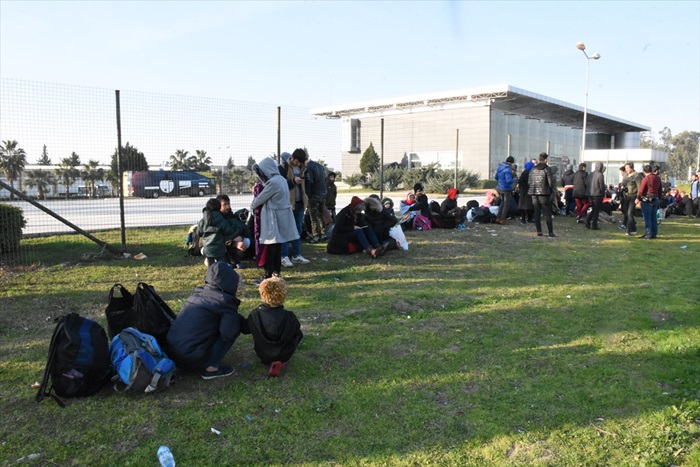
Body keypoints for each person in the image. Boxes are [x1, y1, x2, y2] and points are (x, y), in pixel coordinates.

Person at [167, 262, 243, 379]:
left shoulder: (197, 295)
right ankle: (211, 368)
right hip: (191, 359)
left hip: (171, 353)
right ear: (230, 282)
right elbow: (229, 333)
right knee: (232, 326)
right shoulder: (224, 302)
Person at [241, 276, 303, 377]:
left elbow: (246, 329)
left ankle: (270, 360)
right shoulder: (289, 316)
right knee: (298, 333)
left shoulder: (255, 315)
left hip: (263, 354)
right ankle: (281, 361)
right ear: (283, 295)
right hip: (285, 353)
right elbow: (297, 334)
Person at [250, 157, 300, 283]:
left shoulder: (273, 183)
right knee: (277, 247)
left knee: (271, 248)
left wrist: (252, 206)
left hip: (273, 219)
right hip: (282, 216)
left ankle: (267, 275)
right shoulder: (282, 180)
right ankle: (276, 273)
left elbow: (259, 199)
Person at [278, 152, 311, 268]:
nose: (298, 164)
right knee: (285, 229)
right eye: (297, 162)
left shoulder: (303, 168)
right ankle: (284, 256)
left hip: (300, 203)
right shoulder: (283, 168)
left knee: (298, 228)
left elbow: (307, 184)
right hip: (287, 204)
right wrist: (292, 181)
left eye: (300, 163)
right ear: (292, 158)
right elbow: (279, 185)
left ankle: (296, 255)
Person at [290, 148, 327, 243]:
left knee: (313, 217)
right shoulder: (319, 166)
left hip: (314, 195)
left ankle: (315, 236)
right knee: (321, 215)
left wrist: (307, 194)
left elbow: (310, 181)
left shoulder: (309, 167)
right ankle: (323, 234)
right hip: (323, 193)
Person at [198, 198, 239, 267]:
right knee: (221, 266)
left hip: (207, 248)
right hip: (219, 248)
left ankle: (211, 276)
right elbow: (228, 231)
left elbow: (199, 232)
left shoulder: (203, 220)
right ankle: (221, 275)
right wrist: (236, 229)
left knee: (211, 266)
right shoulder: (221, 219)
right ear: (219, 207)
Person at [216, 194, 251, 268]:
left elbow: (241, 228)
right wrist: (234, 243)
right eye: (224, 204)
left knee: (246, 242)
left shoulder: (231, 215)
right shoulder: (215, 219)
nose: (228, 206)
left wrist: (240, 237)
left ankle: (233, 259)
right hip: (216, 244)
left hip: (230, 243)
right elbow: (217, 238)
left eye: (228, 203)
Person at [528, 152, 555, 237]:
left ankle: (539, 231)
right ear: (546, 160)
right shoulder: (547, 169)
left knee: (537, 213)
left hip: (534, 193)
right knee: (547, 213)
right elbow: (550, 183)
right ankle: (550, 232)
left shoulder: (533, 169)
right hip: (544, 193)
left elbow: (529, 182)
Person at [638, 164, 661, 239]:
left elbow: (641, 190)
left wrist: (638, 198)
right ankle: (654, 234)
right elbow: (660, 189)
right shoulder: (657, 178)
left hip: (647, 199)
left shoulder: (646, 179)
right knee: (653, 217)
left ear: (644, 171)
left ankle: (648, 234)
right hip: (656, 198)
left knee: (647, 218)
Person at [622, 162, 643, 236]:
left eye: (628, 168)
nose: (626, 170)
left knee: (630, 213)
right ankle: (632, 227)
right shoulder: (625, 175)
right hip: (626, 196)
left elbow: (639, 188)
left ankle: (630, 230)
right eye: (626, 168)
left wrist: (638, 198)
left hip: (633, 196)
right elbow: (623, 183)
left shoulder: (637, 176)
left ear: (632, 168)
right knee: (626, 213)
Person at [494, 156, 515, 224]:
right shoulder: (508, 169)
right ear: (511, 163)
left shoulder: (499, 167)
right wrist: (515, 180)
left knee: (502, 203)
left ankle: (498, 218)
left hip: (500, 188)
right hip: (507, 188)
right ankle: (502, 219)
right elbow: (508, 180)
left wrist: (500, 183)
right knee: (506, 204)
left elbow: (496, 177)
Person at [585, 162, 606, 230]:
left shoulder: (590, 174)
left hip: (590, 193)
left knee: (594, 209)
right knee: (596, 210)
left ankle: (588, 220)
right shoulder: (600, 175)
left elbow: (586, 183)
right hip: (597, 194)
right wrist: (603, 194)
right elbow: (602, 186)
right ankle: (593, 224)